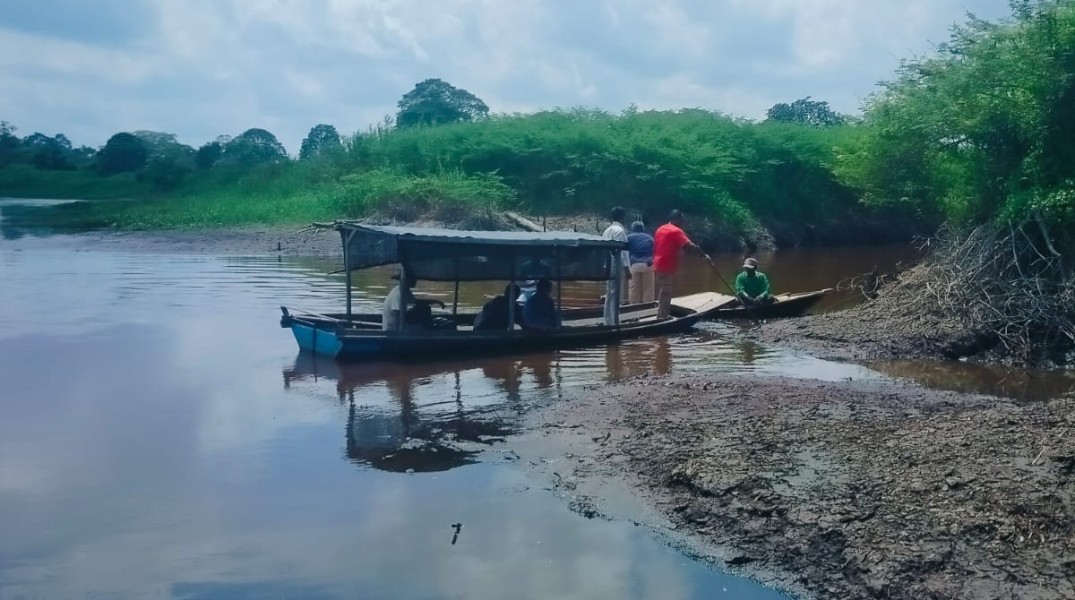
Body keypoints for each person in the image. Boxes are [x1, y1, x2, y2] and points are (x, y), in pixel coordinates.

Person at [653, 210, 709, 319]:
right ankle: (662, 317)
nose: (683, 223)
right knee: (666, 291)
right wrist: (703, 255)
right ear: (677, 219)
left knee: (664, 291)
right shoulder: (676, 231)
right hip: (665, 265)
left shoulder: (660, 229)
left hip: (658, 264)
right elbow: (688, 246)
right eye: (682, 220)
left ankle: (662, 314)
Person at [601, 206, 632, 325]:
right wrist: (627, 268)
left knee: (610, 293)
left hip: (607, 264)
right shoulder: (620, 231)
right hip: (616, 263)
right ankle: (615, 321)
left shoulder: (606, 231)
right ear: (622, 217)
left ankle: (607, 320)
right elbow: (623, 252)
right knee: (616, 293)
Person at [626, 221, 655, 304]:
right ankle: (648, 306)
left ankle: (633, 307)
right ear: (643, 229)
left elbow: (625, 250)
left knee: (634, 288)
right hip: (648, 264)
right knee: (648, 289)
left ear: (632, 229)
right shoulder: (649, 237)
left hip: (634, 264)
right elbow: (654, 250)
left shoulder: (629, 237)